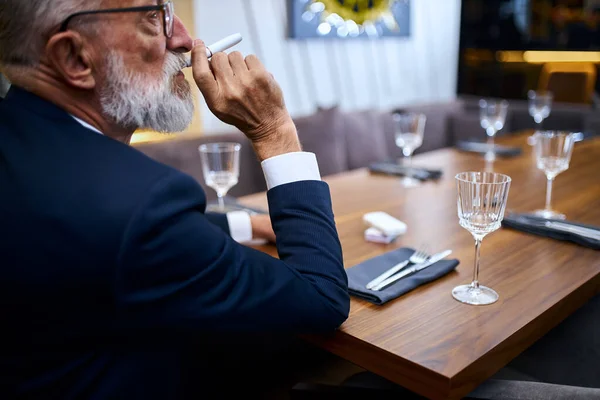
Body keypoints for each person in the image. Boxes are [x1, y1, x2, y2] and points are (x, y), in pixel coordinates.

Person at [0, 0, 350, 398]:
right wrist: (275, 131)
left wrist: (244, 223)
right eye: (155, 19)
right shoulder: (139, 205)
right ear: (75, 57)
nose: (185, 39)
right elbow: (321, 300)